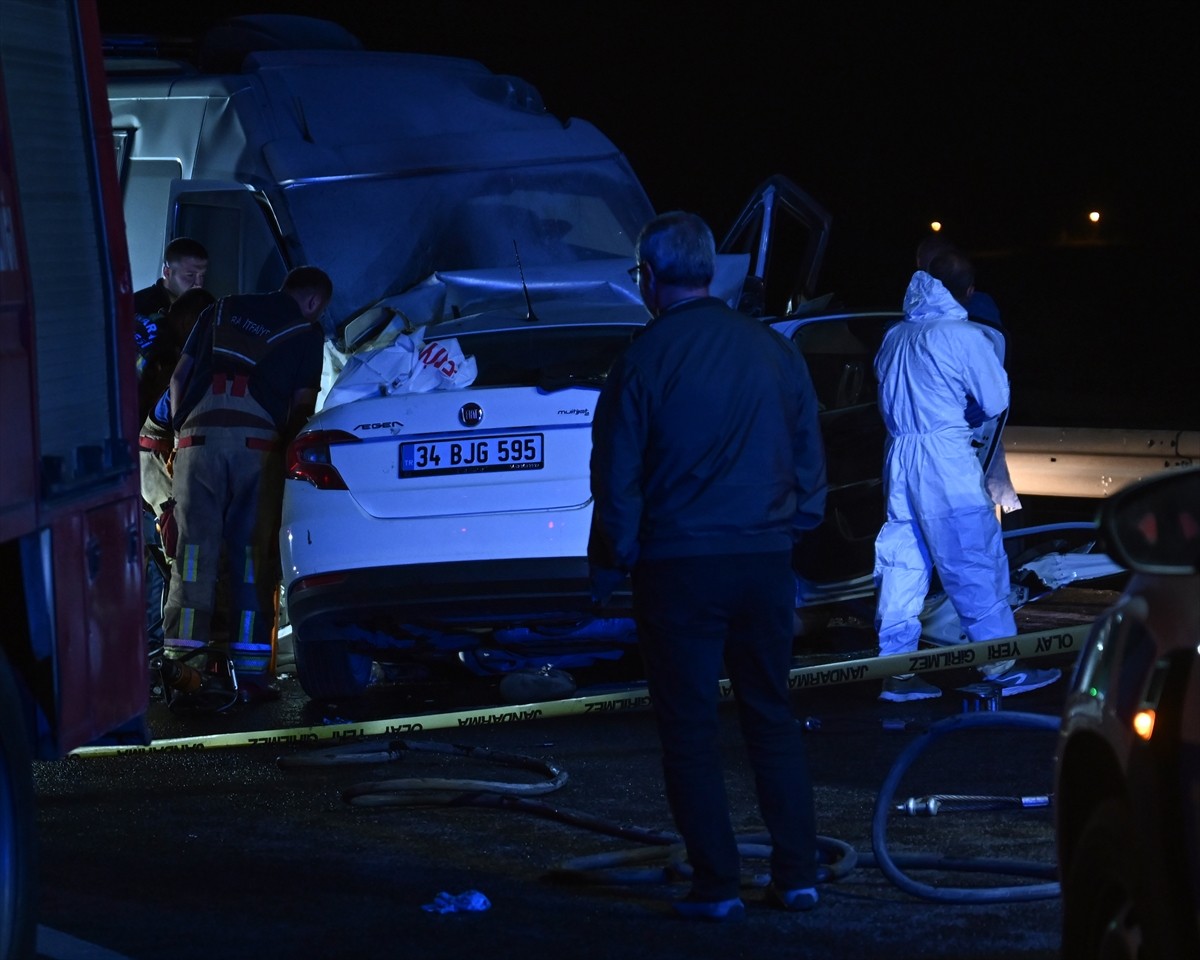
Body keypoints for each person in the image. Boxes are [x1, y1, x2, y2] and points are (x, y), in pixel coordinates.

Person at [589, 212, 827, 920]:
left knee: (690, 728)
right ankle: (798, 876)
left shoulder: (641, 360)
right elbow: (810, 460)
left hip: (678, 567)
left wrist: (610, 566)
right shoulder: (775, 352)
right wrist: (790, 531)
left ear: (649, 278)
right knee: (771, 715)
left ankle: (718, 885)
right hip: (762, 561)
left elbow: (617, 481)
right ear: (711, 274)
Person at [873, 254, 1059, 702]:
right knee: (972, 559)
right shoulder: (963, 336)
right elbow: (995, 400)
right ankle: (1001, 666)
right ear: (969, 292)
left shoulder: (894, 336)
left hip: (900, 456)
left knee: (903, 561)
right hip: (946, 460)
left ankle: (895, 673)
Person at [162, 266, 332, 703]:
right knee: (252, 561)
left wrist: (185, 432)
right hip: (257, 450)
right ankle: (250, 674)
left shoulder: (218, 311)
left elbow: (178, 379)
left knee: (193, 556)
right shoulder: (308, 333)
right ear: (314, 302)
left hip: (194, 443)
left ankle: (182, 669)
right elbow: (300, 407)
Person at [914, 234, 1021, 513]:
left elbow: (993, 379)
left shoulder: (912, 324)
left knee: (973, 510)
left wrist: (979, 409)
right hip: (946, 436)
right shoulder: (911, 322)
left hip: (953, 436)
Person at [139, 288, 217, 652]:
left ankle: (180, 643)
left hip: (169, 456)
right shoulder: (188, 366)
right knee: (176, 553)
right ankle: (167, 646)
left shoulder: (198, 360)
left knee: (184, 553)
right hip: (157, 462)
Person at [134, 237, 210, 425]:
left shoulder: (202, 308)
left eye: (203, 275)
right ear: (167, 272)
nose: (198, 283)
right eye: (190, 276)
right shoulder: (136, 305)